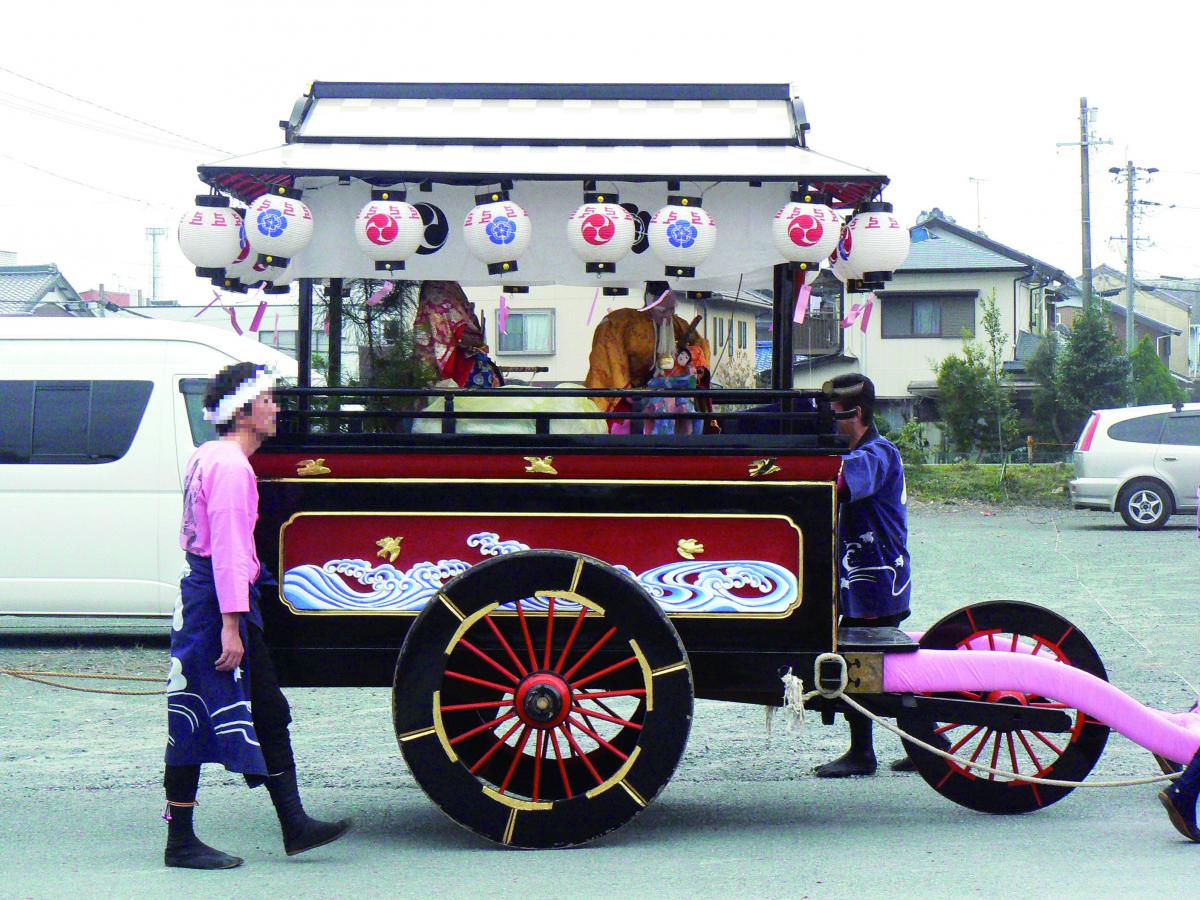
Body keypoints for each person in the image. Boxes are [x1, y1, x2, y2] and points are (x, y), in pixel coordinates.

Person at [163, 362, 351, 869]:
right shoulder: (230, 468)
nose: (275, 408)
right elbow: (226, 550)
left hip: (214, 597)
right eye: (268, 399)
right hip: (217, 605)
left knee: (267, 710)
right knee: (193, 715)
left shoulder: (210, 456)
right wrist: (231, 624)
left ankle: (295, 825)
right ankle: (179, 840)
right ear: (243, 412)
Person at [814, 373, 913, 778]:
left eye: (834, 416)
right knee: (873, 664)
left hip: (876, 577)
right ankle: (925, 744)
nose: (829, 424)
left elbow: (835, 483)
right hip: (864, 578)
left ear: (857, 414)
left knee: (867, 667)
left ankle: (868, 752)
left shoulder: (876, 455)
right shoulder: (868, 452)